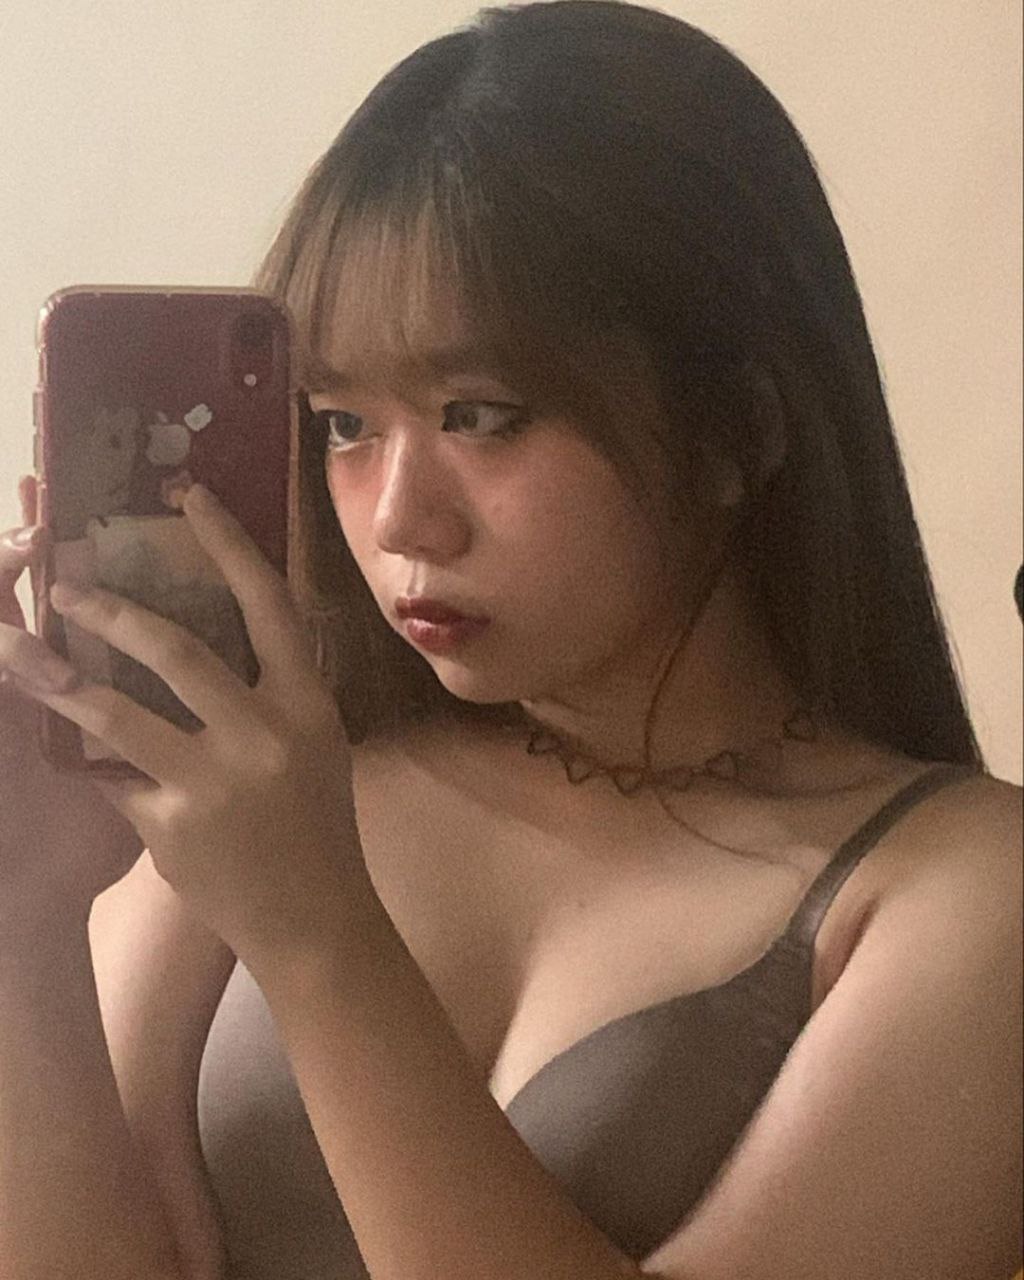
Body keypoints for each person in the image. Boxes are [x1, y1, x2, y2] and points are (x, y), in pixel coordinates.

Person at [0, 2, 1020, 1278]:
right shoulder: (284, 777)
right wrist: (25, 907)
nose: (396, 518)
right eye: (343, 423)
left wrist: (317, 932)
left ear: (737, 429)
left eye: (480, 415)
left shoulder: (959, 890)